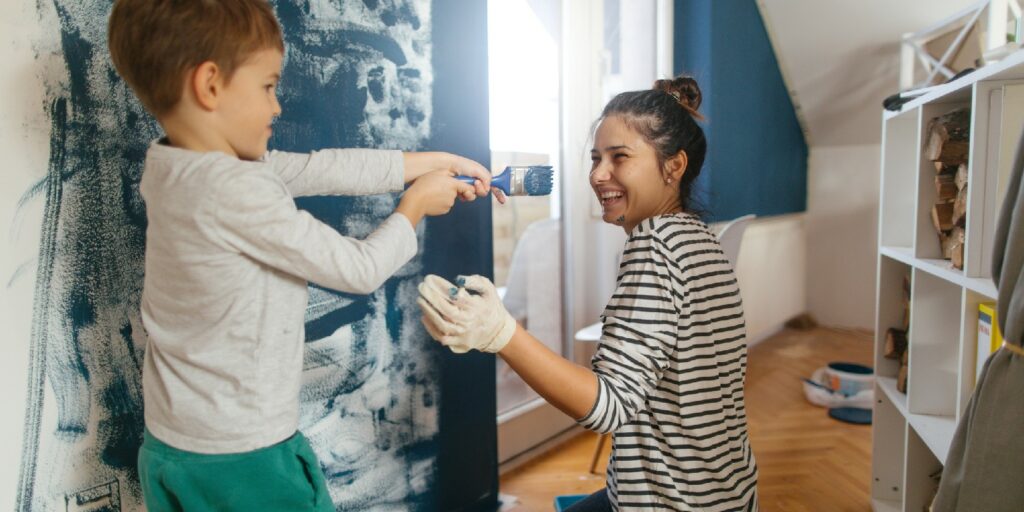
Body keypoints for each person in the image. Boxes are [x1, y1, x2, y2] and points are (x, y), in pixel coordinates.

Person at [106, 1, 493, 510]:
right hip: (242, 457)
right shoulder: (234, 190)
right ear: (210, 85)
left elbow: (322, 168)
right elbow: (358, 270)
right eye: (268, 86)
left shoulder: (176, 166)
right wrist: (415, 207)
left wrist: (434, 162)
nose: (277, 107)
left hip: (175, 445)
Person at [418, 76, 759, 511]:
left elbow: (609, 406)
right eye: (596, 158)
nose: (598, 175)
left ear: (673, 167)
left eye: (620, 158)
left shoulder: (654, 246)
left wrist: (499, 333)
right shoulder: (700, 238)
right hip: (731, 493)